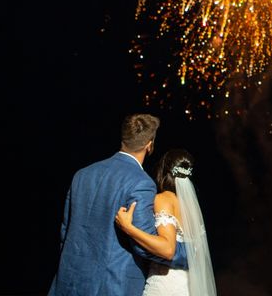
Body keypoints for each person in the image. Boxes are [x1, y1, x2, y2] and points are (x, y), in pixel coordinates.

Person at [49, 114, 186, 296]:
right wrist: (188, 254)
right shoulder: (141, 183)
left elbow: (65, 232)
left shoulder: (82, 175)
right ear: (149, 145)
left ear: (124, 139)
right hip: (112, 286)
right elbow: (142, 245)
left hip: (69, 281)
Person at [115, 149, 217, 296]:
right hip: (188, 287)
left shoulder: (164, 199)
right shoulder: (191, 207)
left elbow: (168, 249)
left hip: (166, 286)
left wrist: (128, 228)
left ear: (162, 170)